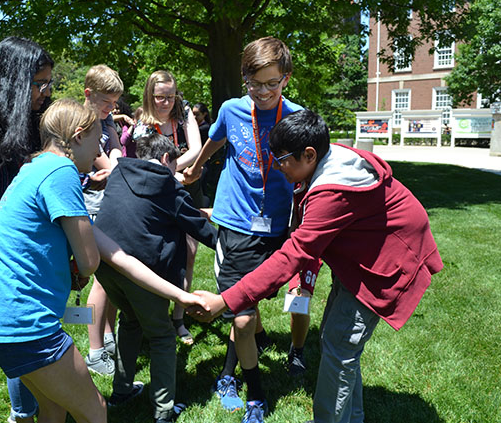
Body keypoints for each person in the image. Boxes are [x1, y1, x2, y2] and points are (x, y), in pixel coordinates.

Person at [190, 109, 444, 423]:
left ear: (309, 154)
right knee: (335, 340)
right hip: (361, 255)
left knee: (340, 344)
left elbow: (295, 253)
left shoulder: (332, 190)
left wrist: (225, 300)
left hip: (386, 261)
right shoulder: (326, 159)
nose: (278, 167)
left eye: (282, 160)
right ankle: (352, 418)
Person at [0, 98, 211, 423]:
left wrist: (180, 296)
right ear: (79, 136)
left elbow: (117, 255)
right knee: (95, 410)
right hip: (24, 323)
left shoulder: (33, 166)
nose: (100, 153)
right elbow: (89, 262)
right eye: (99, 141)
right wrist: (77, 263)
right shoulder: (61, 171)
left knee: (55, 410)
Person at [183, 36, 303, 422]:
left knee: (246, 312)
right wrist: (199, 166)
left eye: (273, 83)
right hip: (235, 223)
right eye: (256, 83)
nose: (264, 92)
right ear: (244, 79)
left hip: (277, 227)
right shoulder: (232, 110)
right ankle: (253, 391)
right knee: (243, 316)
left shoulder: (297, 117)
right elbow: (215, 139)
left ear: (285, 78)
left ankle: (230, 370)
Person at [94, 132, 217, 423]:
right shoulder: (167, 185)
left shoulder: (120, 171)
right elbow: (200, 227)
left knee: (130, 321)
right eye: (174, 166)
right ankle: (164, 410)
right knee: (162, 335)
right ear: (165, 159)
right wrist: (231, 247)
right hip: (142, 272)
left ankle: (122, 390)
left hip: (105, 267)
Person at [0, 36, 54, 423]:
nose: (45, 92)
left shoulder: (38, 122)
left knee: (42, 324)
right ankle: (23, 413)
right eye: (39, 84)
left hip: (38, 242)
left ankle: (48, 395)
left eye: (49, 83)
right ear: (16, 82)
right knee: (19, 329)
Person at [134, 70, 203, 345]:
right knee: (157, 255)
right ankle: (152, 315)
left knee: (189, 252)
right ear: (150, 96)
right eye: (160, 97)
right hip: (157, 193)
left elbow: (196, 149)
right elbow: (146, 159)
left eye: (170, 96)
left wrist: (175, 172)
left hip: (186, 189)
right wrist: (172, 174)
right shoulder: (142, 122)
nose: (165, 102)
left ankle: (179, 318)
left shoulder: (184, 113)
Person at [81, 64, 125, 377]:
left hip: (105, 200)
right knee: (100, 277)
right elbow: (107, 162)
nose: (111, 109)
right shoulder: (82, 122)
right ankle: (95, 351)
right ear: (88, 95)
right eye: (106, 103)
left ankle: (108, 336)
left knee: (110, 278)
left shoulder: (104, 120)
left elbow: (116, 156)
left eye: (114, 104)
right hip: (89, 205)